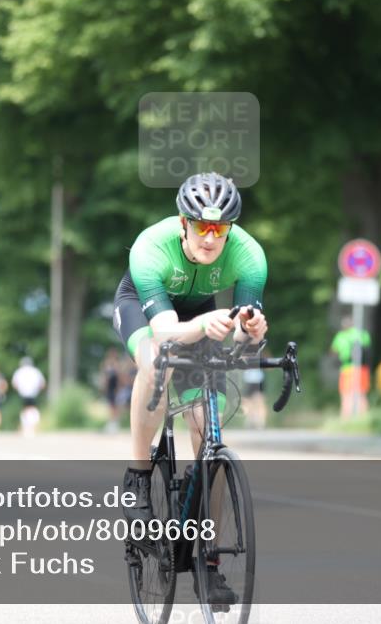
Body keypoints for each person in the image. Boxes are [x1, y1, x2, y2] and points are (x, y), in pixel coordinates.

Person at [112, 172, 267, 606]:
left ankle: (209, 563)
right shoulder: (150, 248)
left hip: (201, 312)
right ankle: (139, 476)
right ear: (184, 223)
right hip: (147, 313)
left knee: (209, 433)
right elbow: (163, 333)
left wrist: (250, 334)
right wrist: (202, 327)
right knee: (153, 363)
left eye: (221, 228)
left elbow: (243, 336)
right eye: (202, 226)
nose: (211, 237)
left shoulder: (250, 257)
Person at [331, 315, 371, 418]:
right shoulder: (362, 333)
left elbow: (334, 351)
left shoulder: (341, 336)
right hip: (362, 368)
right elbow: (368, 345)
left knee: (346, 394)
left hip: (347, 368)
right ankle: (364, 418)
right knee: (361, 394)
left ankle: (345, 418)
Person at [11, 356, 46, 437]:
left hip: (23, 393)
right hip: (34, 393)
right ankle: (34, 426)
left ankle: (25, 426)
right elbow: (42, 384)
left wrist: (19, 389)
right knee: (33, 409)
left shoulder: (19, 371)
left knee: (25, 410)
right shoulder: (36, 371)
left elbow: (14, 384)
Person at [100, 348, 122, 432]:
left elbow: (119, 378)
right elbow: (105, 377)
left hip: (115, 388)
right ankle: (111, 423)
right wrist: (104, 387)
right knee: (110, 406)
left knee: (115, 406)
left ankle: (115, 423)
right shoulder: (106, 364)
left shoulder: (117, 365)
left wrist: (119, 388)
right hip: (109, 388)